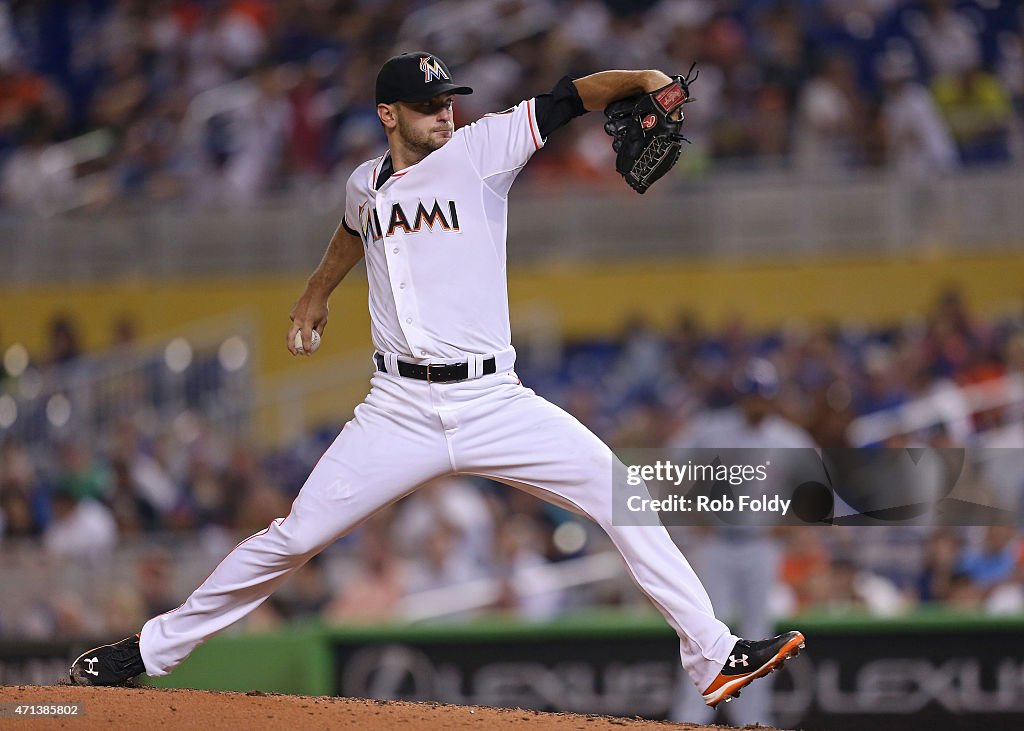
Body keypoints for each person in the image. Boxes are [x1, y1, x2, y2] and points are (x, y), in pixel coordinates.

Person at [70, 51, 804, 710]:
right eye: (428, 104)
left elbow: (571, 95)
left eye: (448, 98)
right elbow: (355, 227)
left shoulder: (482, 149)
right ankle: (148, 651)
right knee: (291, 537)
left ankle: (714, 652)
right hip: (397, 409)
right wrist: (316, 292)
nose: (443, 112)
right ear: (389, 114)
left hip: (493, 399)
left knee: (619, 491)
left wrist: (644, 80)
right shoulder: (365, 182)